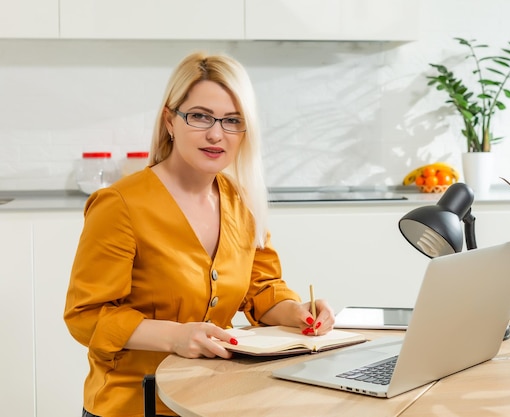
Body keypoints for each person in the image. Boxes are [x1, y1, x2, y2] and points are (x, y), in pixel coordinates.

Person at [64, 52, 335, 417]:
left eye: (232, 121)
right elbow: (86, 315)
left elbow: (261, 289)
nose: (215, 134)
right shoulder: (119, 205)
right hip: (131, 405)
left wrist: (296, 313)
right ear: (170, 121)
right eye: (200, 116)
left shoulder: (242, 201)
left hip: (211, 400)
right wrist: (174, 336)